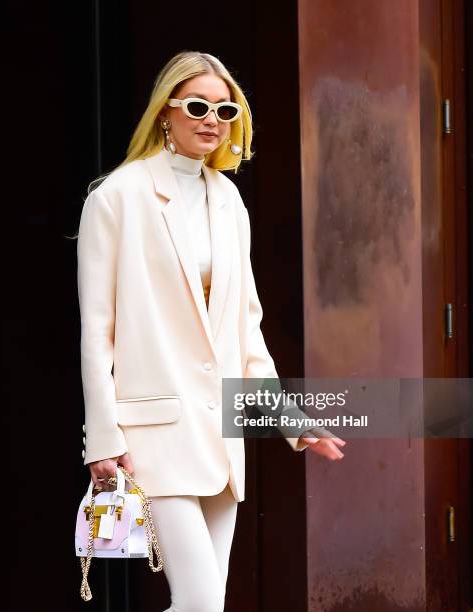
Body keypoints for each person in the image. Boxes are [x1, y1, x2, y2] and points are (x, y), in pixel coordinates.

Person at [76, 50, 346, 612]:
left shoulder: (228, 199)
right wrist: (102, 438)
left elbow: (246, 329)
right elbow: (97, 331)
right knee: (199, 600)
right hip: (150, 435)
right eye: (198, 105)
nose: (212, 120)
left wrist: (292, 422)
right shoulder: (116, 198)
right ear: (165, 113)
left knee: (207, 602)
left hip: (221, 441)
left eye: (225, 111)